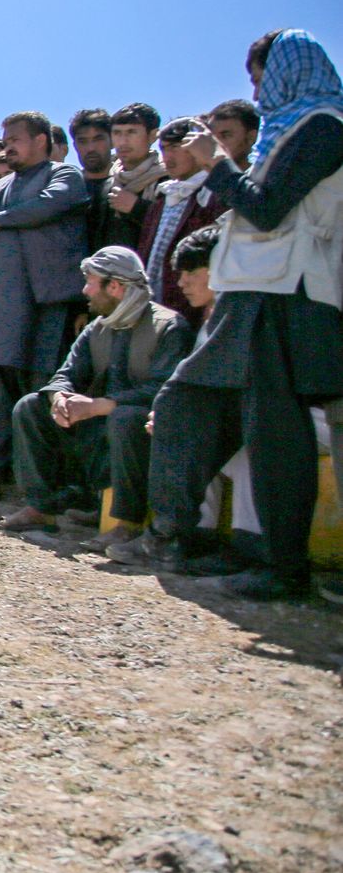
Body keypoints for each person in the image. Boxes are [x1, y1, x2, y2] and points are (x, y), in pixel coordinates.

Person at [134, 30, 343, 600]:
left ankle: (279, 567)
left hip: (288, 295)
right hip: (267, 291)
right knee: (266, 431)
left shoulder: (322, 124)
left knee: (275, 431)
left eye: (259, 77)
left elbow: (267, 208)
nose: (258, 90)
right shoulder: (297, 127)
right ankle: (225, 547)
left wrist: (215, 163)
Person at [0, 246, 191, 535]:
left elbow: (165, 390)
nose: (85, 291)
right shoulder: (97, 328)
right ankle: (42, 508)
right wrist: (59, 398)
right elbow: (66, 374)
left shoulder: (168, 327)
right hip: (98, 428)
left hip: (143, 432)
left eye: (90, 282)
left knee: (125, 419)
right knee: (29, 407)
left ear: (114, 286)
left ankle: (127, 523)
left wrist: (103, 405)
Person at [0, 111, 88, 498]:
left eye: (16, 139)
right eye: (6, 139)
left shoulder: (64, 175)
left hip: (46, 303)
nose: (9, 146)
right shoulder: (2, 185)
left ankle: (41, 484)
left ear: (41, 141)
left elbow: (50, 205)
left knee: (41, 391)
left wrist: (0, 221)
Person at [136, 118, 227, 324]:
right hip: (156, 305)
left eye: (177, 148)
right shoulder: (164, 195)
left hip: (192, 305)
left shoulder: (212, 194)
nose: (168, 156)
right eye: (164, 149)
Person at [101, 102, 164, 249]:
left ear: (153, 136)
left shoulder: (167, 179)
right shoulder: (108, 181)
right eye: (117, 133)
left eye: (131, 132)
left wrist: (137, 208)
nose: (123, 142)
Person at [69, 108, 115, 253]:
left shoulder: (130, 184)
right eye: (83, 141)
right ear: (75, 146)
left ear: (112, 141)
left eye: (98, 139)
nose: (91, 148)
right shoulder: (68, 190)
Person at [207, 97, 259, 170]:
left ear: (251, 137)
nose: (216, 143)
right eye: (211, 137)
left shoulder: (269, 179)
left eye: (225, 135)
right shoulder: (200, 180)